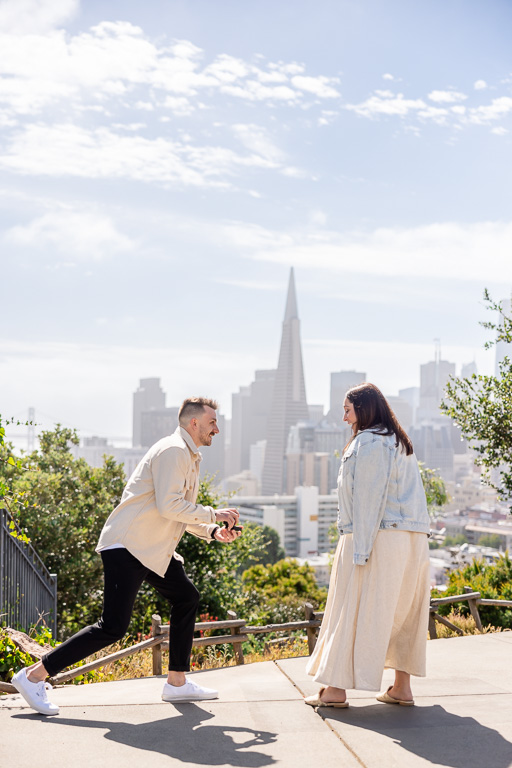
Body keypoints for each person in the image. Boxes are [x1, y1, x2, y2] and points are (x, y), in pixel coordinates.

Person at [12, 397, 242, 716]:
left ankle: (176, 683)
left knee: (187, 596)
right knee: (113, 626)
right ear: (194, 424)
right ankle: (33, 676)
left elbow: (178, 513)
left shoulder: (189, 456)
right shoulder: (174, 451)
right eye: (213, 422)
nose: (217, 428)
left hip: (150, 549)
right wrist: (214, 513)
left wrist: (213, 531)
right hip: (128, 546)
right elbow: (170, 506)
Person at [305, 382, 431, 708]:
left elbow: (367, 498)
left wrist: (359, 551)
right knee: (402, 611)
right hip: (411, 538)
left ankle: (335, 690)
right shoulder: (400, 443)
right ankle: (401, 688)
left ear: (363, 409)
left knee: (353, 608)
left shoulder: (370, 442)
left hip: (376, 536)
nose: (344, 418)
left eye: (347, 410)